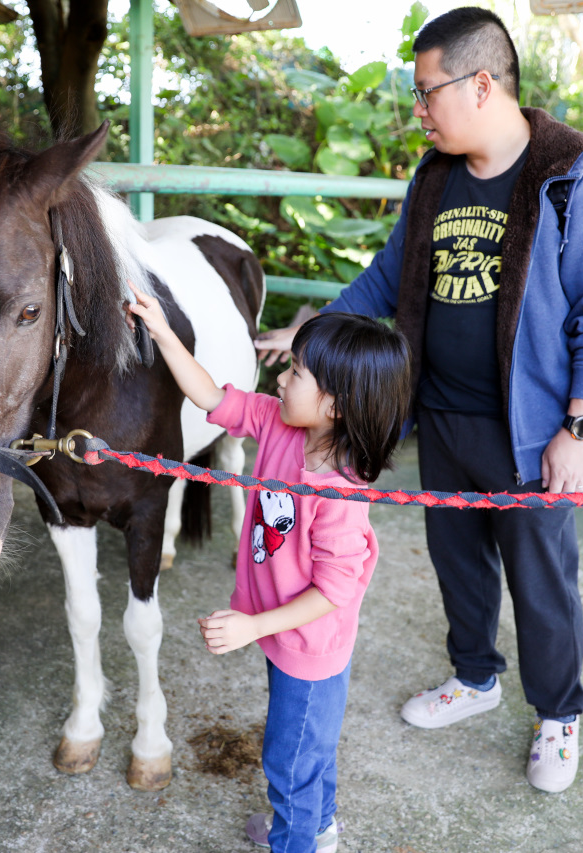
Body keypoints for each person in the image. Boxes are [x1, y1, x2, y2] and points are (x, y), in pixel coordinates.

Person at [254, 7, 583, 794]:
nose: (418, 110)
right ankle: (473, 676)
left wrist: (579, 422)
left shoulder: (571, 175)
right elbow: (385, 279)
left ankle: (558, 713)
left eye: (427, 92)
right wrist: (311, 330)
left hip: (529, 427)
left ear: (482, 83)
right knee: (456, 561)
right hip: (444, 414)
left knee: (540, 579)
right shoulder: (434, 180)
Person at [128, 287, 412, 853]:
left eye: (298, 372)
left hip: (308, 644)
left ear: (334, 404)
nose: (281, 378)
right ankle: (317, 827)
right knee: (310, 748)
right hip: (284, 635)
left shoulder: (339, 494)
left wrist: (253, 626)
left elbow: (335, 589)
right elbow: (212, 396)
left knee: (289, 761)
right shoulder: (283, 426)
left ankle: (296, 839)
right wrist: (160, 330)